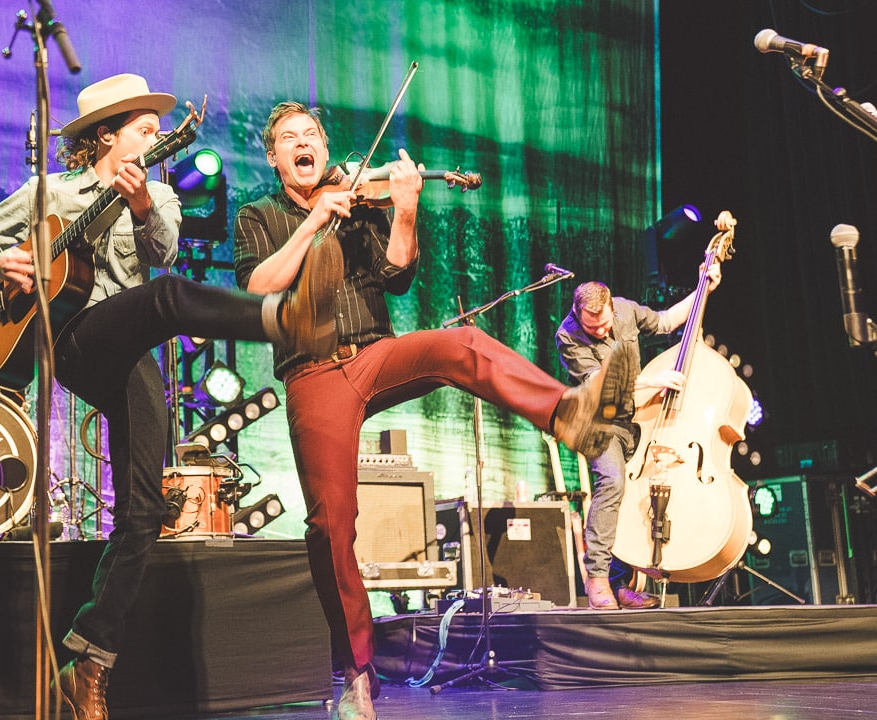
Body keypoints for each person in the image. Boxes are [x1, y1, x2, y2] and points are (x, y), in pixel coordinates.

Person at [233, 101, 635, 720]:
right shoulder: (258, 215)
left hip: (374, 353)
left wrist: (406, 209)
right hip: (312, 374)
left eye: (311, 134)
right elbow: (259, 287)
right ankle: (357, 676)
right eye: (289, 138)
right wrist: (313, 222)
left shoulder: (356, 203)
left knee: (461, 345)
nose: (302, 143)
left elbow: (396, 273)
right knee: (331, 526)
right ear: (274, 156)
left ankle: (566, 414)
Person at [0, 74, 334, 720]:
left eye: (159, 134)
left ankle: (88, 660)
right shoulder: (48, 193)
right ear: (107, 135)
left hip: (129, 349)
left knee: (143, 511)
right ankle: (278, 317)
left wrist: (137, 208)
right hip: (73, 339)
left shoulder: (157, 192)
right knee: (165, 301)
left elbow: (162, 251)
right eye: (145, 131)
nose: (155, 140)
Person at [554, 210, 733, 611]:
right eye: (592, 327)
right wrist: (653, 381)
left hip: (637, 421)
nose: (599, 331)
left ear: (609, 308)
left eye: (602, 324)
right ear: (578, 313)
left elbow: (669, 321)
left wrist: (704, 289)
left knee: (637, 489)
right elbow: (601, 388)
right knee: (613, 482)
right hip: (599, 423)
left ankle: (622, 584)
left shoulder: (625, 310)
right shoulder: (568, 336)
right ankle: (597, 578)